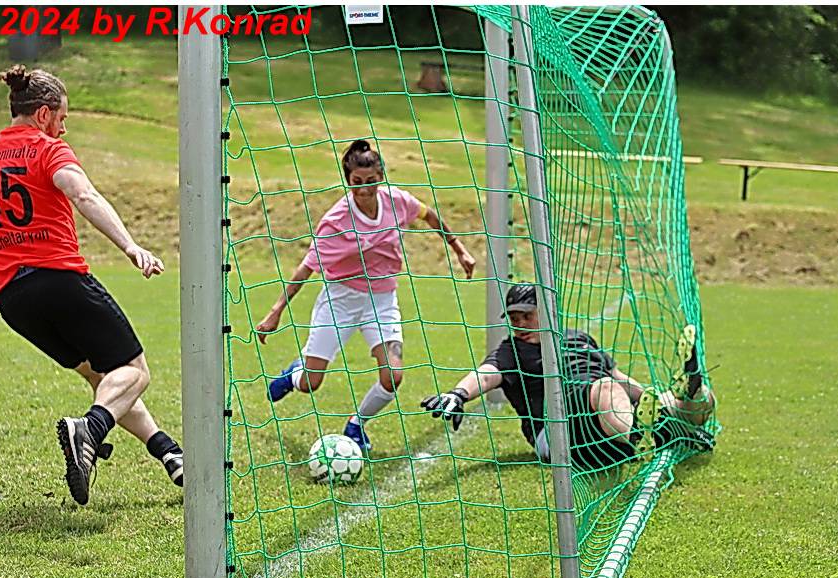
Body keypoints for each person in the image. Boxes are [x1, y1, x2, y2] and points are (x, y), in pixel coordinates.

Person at [0, 65, 182, 506]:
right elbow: (84, 195)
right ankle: (88, 430)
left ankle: (168, 452)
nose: (63, 128)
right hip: (58, 280)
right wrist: (130, 246)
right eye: (61, 118)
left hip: (13, 301)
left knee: (103, 377)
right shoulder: (47, 149)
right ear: (43, 114)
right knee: (134, 371)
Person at [256, 140, 476, 451]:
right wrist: (275, 312)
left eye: (370, 181)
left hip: (382, 300)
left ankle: (356, 425)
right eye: (357, 182)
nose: (364, 189)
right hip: (341, 300)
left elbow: (429, 216)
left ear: (380, 176)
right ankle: (295, 374)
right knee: (310, 384)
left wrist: (460, 250)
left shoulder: (397, 201)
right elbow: (306, 268)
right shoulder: (336, 221)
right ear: (348, 180)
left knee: (393, 375)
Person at [420, 284, 715, 468]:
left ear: (547, 312)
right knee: (605, 388)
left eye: (527, 315)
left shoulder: (578, 338)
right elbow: (486, 375)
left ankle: (683, 398)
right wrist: (458, 394)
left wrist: (659, 400)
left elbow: (619, 377)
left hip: (604, 418)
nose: (520, 324)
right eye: (514, 318)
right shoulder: (513, 350)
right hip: (557, 431)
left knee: (700, 402)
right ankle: (645, 435)